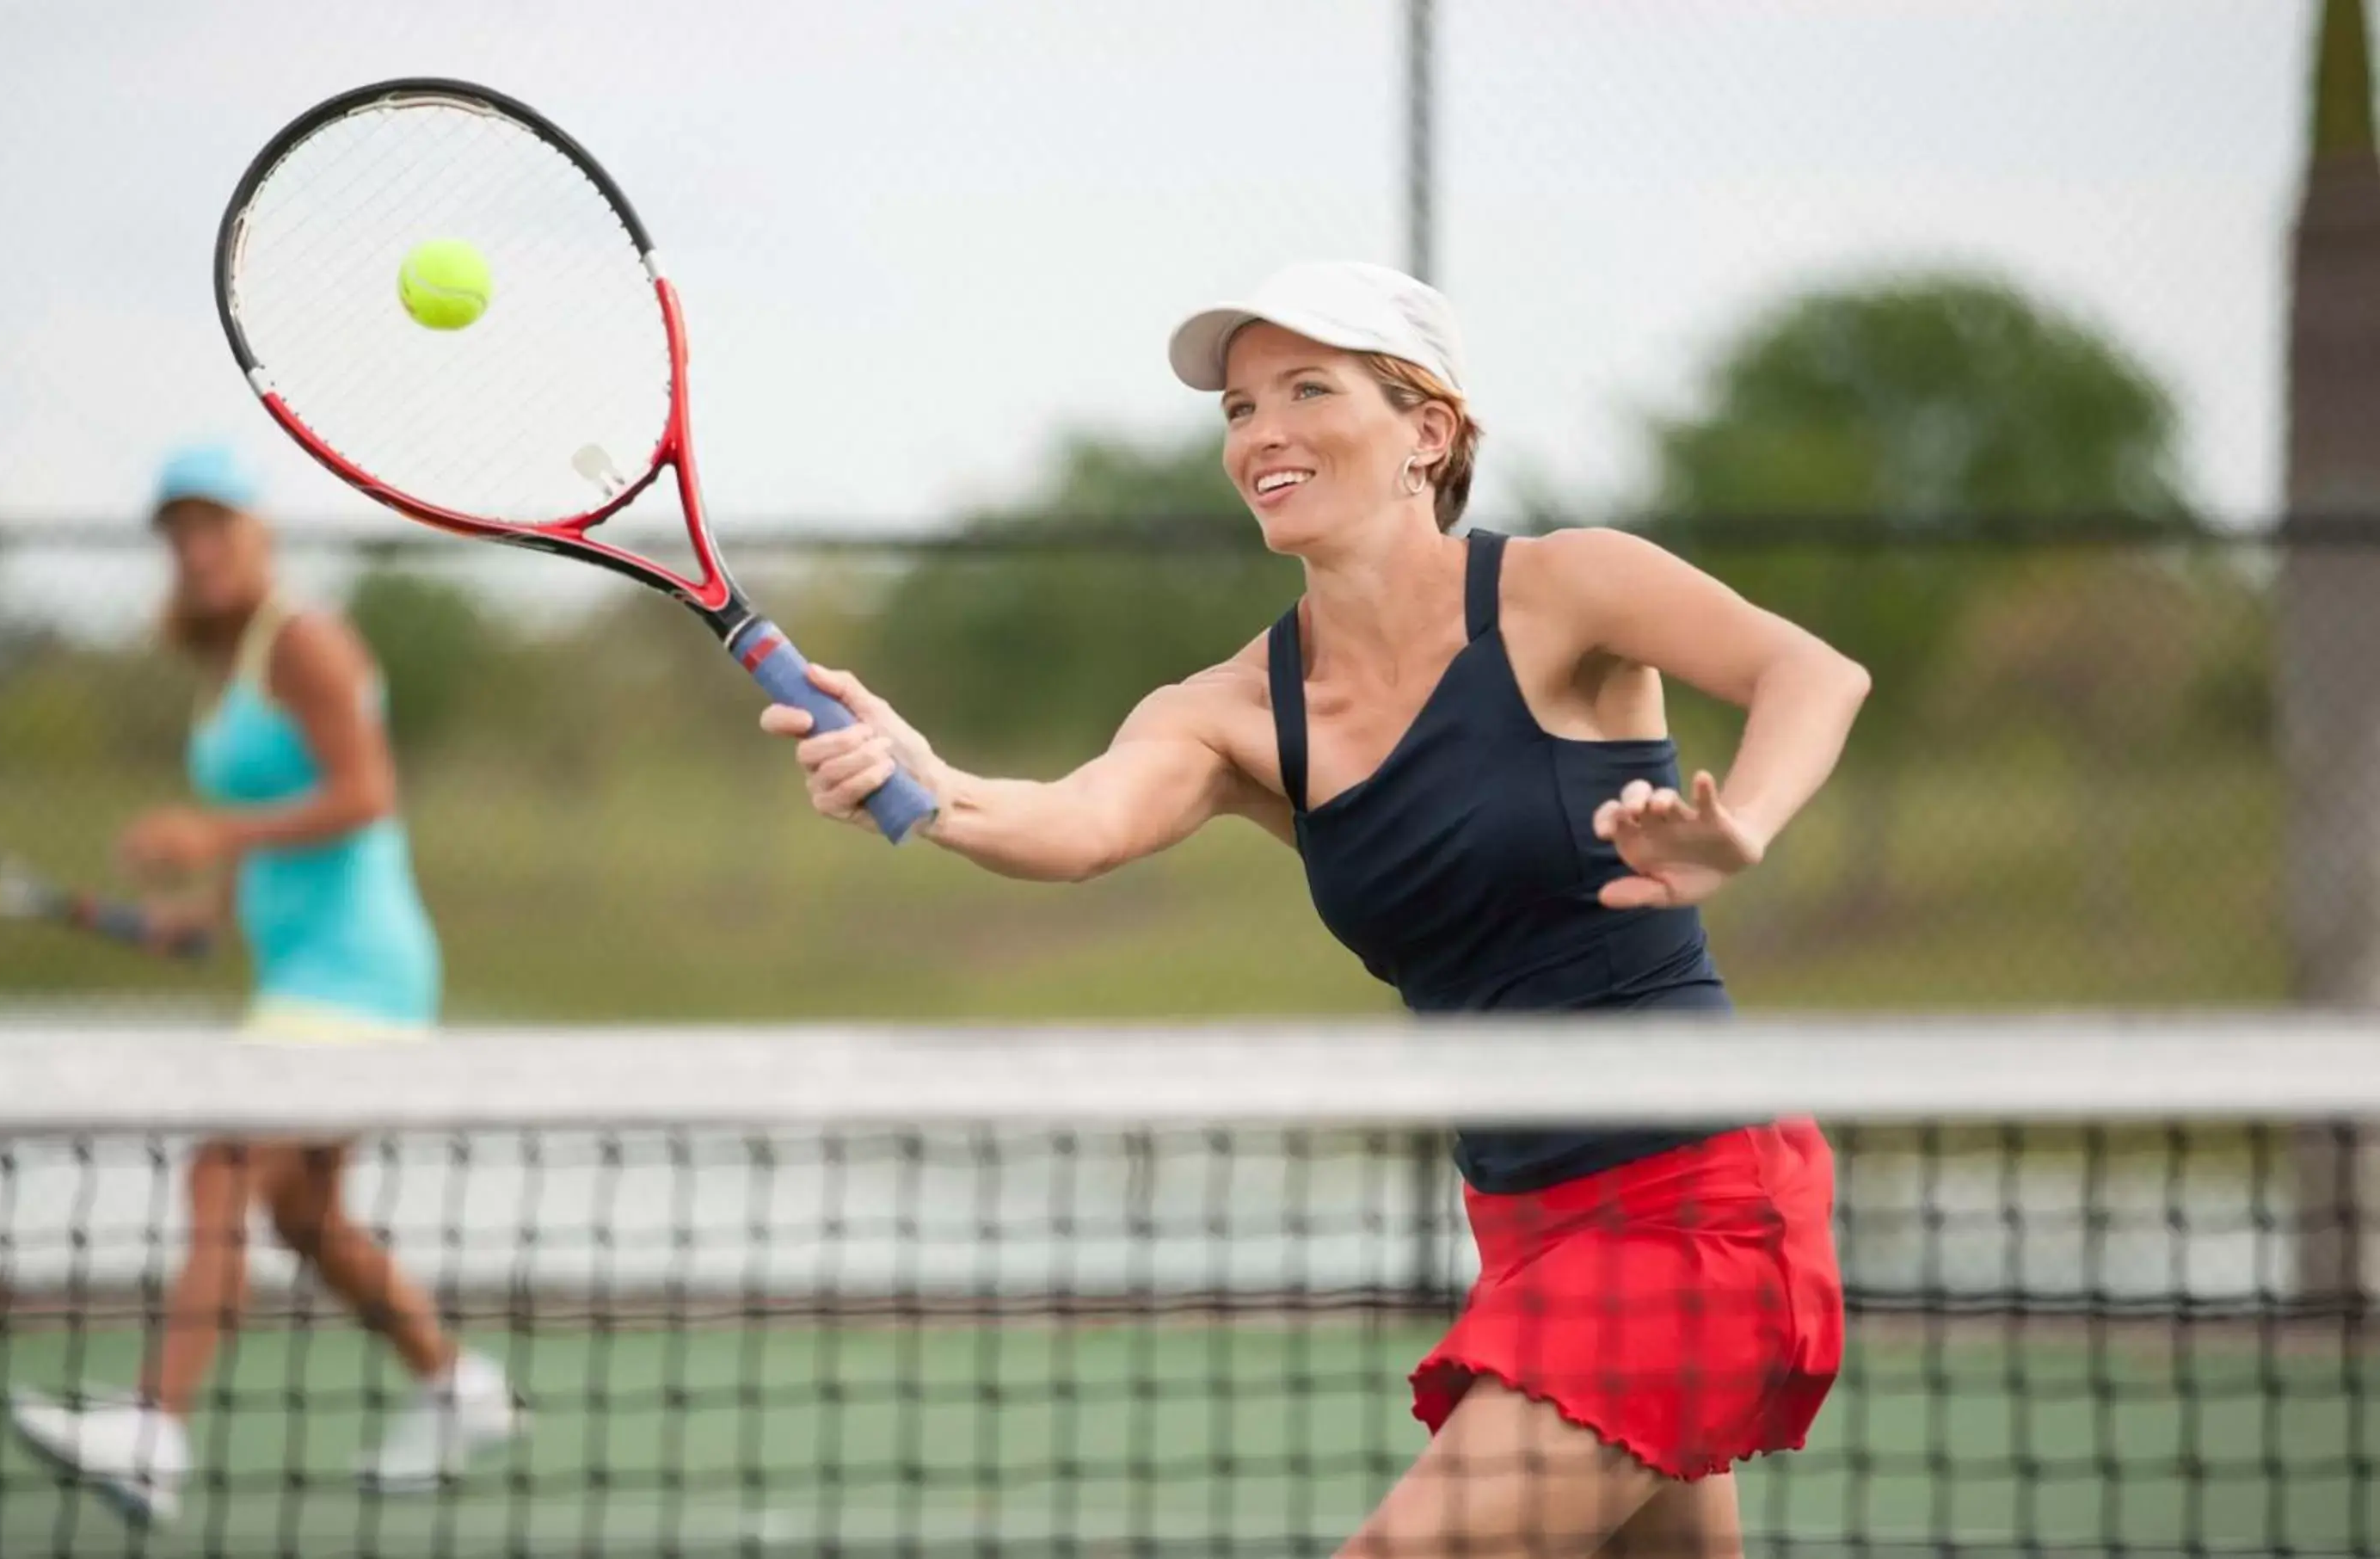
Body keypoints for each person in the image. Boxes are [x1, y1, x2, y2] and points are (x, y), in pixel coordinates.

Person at [764, 262, 1872, 1558]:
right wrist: (932, 785)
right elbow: (1072, 825)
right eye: (1239, 408)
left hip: (1696, 1206)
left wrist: (1742, 825)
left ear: (1428, 432)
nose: (1262, 432)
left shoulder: (1568, 589)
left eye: (1307, 389)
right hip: (1526, 1229)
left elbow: (1813, 674)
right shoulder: (1233, 711)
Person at [7, 445, 522, 1525]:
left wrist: (210, 831)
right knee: (305, 1218)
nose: (195, 548)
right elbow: (270, 809)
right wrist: (204, 918)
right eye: (177, 531)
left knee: (223, 1166)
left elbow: (366, 795)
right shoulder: (229, 661)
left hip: (358, 975)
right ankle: (456, 1387)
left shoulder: (305, 641)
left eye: (215, 524)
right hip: (300, 971)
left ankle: (153, 1431)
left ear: (260, 531)